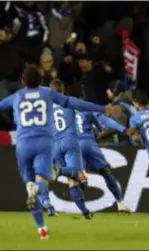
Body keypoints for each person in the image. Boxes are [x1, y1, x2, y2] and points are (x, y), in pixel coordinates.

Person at [0, 65, 119, 240]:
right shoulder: (48, 93)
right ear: (41, 80)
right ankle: (37, 193)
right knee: (41, 182)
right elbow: (73, 103)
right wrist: (101, 108)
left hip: (23, 144)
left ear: (23, 81)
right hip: (44, 143)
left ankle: (41, 228)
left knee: (30, 184)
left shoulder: (17, 96)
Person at [47, 79, 92, 219]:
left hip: (55, 145)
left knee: (74, 179)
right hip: (70, 141)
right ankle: (59, 171)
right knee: (76, 179)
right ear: (63, 90)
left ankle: (86, 212)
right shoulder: (69, 101)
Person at [76, 111, 133, 213]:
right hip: (88, 143)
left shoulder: (63, 112)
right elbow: (106, 121)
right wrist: (123, 129)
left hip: (73, 146)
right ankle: (120, 203)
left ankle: (81, 208)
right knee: (105, 172)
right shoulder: (86, 109)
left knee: (79, 178)